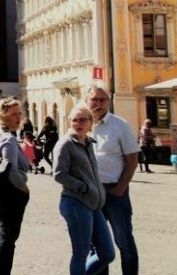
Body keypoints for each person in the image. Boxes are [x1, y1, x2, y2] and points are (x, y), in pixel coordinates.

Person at [53, 105, 115, 275]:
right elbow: (59, 174)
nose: (78, 124)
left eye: (82, 120)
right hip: (76, 203)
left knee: (107, 254)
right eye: (74, 120)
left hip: (94, 204)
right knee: (80, 253)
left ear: (90, 122)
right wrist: (84, 187)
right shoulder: (65, 144)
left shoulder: (88, 143)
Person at [86, 84, 139, 275]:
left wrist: (120, 188)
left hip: (115, 191)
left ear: (108, 102)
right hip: (92, 194)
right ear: (86, 101)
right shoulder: (82, 125)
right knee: (97, 245)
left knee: (124, 242)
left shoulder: (120, 125)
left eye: (103, 100)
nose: (99, 104)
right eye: (94, 99)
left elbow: (132, 160)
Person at [0, 97, 30, 275]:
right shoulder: (8, 138)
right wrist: (24, 190)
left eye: (19, 113)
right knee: (7, 238)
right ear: (3, 115)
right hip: (9, 192)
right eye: (14, 114)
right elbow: (11, 170)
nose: (18, 117)